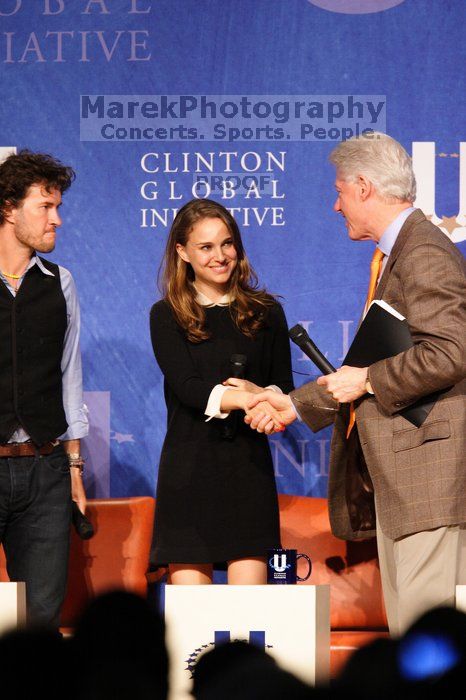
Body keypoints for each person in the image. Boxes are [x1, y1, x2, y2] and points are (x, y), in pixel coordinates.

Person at [246, 133, 466, 635]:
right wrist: (297, 405)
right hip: (407, 485)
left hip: (429, 480)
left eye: (340, 190)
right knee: (412, 640)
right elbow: (370, 367)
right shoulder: (400, 253)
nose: (335, 203)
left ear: (364, 187)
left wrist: (367, 379)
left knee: (426, 648)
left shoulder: (424, 253)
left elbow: (450, 353)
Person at [149, 198, 293, 584]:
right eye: (206, 247)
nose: (220, 256)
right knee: (191, 631)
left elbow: (283, 387)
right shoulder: (167, 315)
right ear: (182, 252)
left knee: (249, 621)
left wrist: (268, 403)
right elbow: (189, 388)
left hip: (248, 475)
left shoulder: (267, 311)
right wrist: (248, 398)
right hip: (188, 474)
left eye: (227, 243)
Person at [0, 150, 88, 628]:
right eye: (45, 207)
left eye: (58, 208)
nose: (56, 220)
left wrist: (74, 467)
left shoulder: (61, 282)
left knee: (40, 623)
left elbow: (69, 376)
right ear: (8, 209)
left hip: (45, 468)